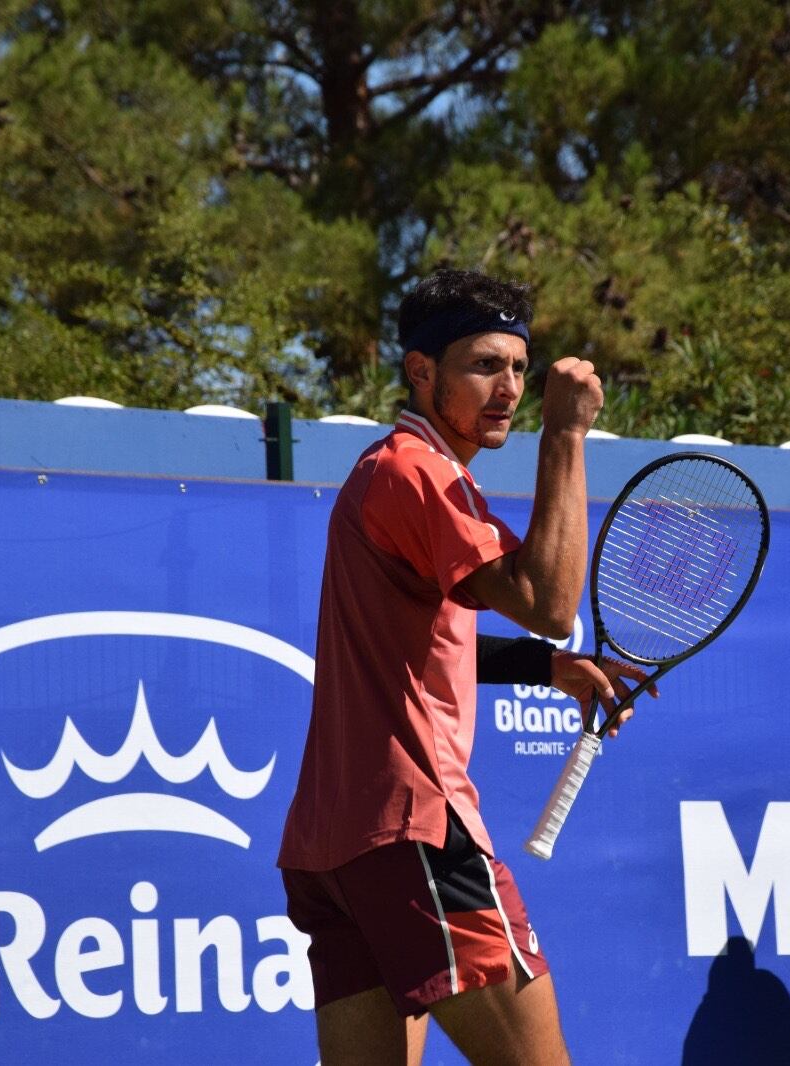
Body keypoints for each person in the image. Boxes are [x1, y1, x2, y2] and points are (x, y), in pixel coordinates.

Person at [277, 268, 650, 1066]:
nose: (509, 387)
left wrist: (547, 670)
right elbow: (548, 602)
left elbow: (423, 639)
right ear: (421, 371)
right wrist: (566, 436)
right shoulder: (419, 471)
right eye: (485, 365)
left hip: (331, 852)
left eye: (519, 367)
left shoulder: (383, 471)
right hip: (413, 831)